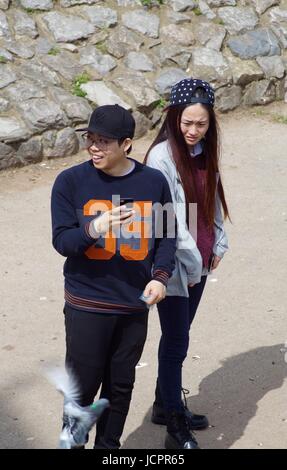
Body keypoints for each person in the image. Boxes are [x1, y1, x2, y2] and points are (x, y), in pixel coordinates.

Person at [51, 104, 176, 449]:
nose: (94, 147)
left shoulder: (153, 182)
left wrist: (160, 277)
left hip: (134, 304)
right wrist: (95, 227)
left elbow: (167, 235)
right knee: (83, 388)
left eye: (104, 141)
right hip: (87, 304)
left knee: (120, 386)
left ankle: (109, 449)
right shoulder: (70, 182)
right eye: (90, 139)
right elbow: (63, 241)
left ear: (127, 144)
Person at [144, 78, 230, 449]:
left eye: (201, 124)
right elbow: (165, 223)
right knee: (177, 340)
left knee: (178, 335)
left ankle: (165, 404)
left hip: (202, 258)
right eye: (187, 123)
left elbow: (211, 199)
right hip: (175, 264)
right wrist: (192, 260)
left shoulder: (204, 151)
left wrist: (218, 240)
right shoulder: (161, 158)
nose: (193, 131)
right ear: (173, 118)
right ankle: (174, 427)